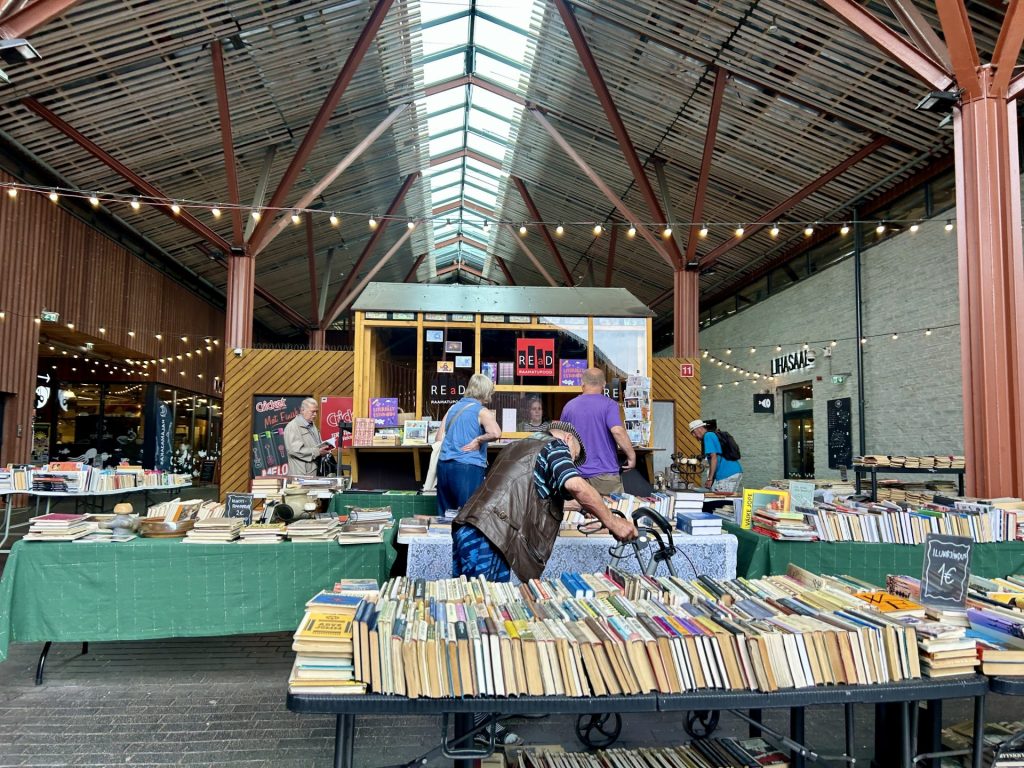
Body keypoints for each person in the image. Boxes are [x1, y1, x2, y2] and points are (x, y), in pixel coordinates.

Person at [452, 420, 638, 582]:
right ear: (568, 439)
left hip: (471, 527)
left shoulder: (517, 446)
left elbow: (526, 494)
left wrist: (579, 505)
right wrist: (613, 523)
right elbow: (576, 485)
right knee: (484, 610)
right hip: (490, 536)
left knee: (470, 606)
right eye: (573, 456)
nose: (570, 462)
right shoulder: (556, 446)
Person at [559, 367, 636, 495]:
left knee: (577, 514)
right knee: (613, 512)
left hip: (576, 476)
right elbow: (617, 431)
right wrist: (631, 456)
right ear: (604, 384)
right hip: (605, 476)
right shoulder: (609, 405)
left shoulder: (569, 406)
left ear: (582, 383)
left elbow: (561, 438)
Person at [435, 373, 502, 516]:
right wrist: (478, 440)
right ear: (485, 391)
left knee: (445, 516)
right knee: (467, 514)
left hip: (444, 466)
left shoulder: (452, 408)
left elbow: (439, 438)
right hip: (467, 468)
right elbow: (496, 433)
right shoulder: (482, 411)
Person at [689, 419, 743, 493]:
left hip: (727, 473)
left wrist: (709, 479)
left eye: (693, 433)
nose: (694, 436)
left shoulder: (708, 436)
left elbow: (713, 457)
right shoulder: (713, 435)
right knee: (723, 498)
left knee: (721, 500)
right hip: (733, 471)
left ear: (698, 429)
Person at [283, 398, 333, 477]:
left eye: (316, 411)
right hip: (301, 475)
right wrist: (318, 452)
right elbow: (294, 450)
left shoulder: (312, 426)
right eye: (312, 411)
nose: (315, 414)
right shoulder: (292, 427)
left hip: (314, 472)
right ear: (302, 410)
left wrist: (324, 449)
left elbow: (315, 446)